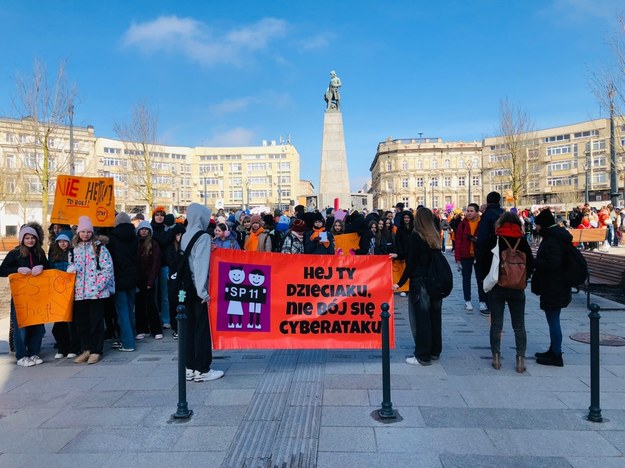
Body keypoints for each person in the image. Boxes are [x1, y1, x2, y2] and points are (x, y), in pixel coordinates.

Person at [480, 212, 534, 372]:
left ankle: (496, 357)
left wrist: (486, 279)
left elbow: (483, 262)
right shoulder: (522, 241)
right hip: (517, 288)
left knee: (496, 324)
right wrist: (523, 277)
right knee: (519, 325)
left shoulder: (495, 240)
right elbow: (530, 263)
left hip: (498, 287)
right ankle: (520, 359)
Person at [393, 208, 443, 366]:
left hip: (420, 281)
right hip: (435, 281)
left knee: (421, 319)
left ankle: (422, 355)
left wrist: (400, 283)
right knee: (435, 317)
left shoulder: (417, 236)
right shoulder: (434, 236)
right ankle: (435, 351)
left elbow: (411, 262)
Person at [181, 203, 224, 382]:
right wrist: (203, 292)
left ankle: (190, 367)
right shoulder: (203, 236)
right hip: (198, 288)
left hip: (185, 288)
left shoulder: (185, 235)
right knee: (202, 330)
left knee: (189, 329)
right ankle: (203, 369)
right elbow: (200, 265)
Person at [0, 224, 49, 367]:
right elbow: (2, 270)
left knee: (38, 326)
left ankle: (34, 352)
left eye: (32, 238)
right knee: (21, 327)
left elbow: (48, 268)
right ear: (22, 239)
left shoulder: (39, 253)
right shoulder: (15, 253)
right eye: (27, 238)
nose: (30, 240)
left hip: (37, 296)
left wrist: (43, 268)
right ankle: (21, 356)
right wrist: (17, 269)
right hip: (20, 297)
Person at [69, 216, 115, 365]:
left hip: (96, 292)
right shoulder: (73, 249)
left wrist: (98, 286)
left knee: (96, 321)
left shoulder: (99, 247)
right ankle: (86, 349)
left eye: (88, 232)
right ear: (78, 232)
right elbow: (69, 266)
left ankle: (96, 350)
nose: (85, 235)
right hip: (79, 293)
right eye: (82, 231)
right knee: (82, 322)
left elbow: (108, 269)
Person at [531, 208, 572, 367]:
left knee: (554, 319)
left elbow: (554, 263)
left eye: (538, 225)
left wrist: (536, 262)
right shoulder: (555, 237)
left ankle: (556, 354)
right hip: (555, 284)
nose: (537, 228)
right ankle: (553, 349)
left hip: (555, 285)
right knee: (552, 319)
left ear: (544, 225)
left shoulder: (553, 240)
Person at [107, 212, 139, 352]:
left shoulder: (112, 238)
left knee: (122, 311)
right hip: (132, 277)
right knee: (130, 309)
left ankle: (128, 343)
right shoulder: (134, 237)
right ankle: (131, 335)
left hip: (119, 278)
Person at [48, 230, 79, 359]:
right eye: (60, 241)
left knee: (72, 322)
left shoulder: (74, 253)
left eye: (65, 241)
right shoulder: (54, 255)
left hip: (73, 292)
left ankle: (74, 347)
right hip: (58, 293)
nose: (62, 244)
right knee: (59, 323)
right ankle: (62, 347)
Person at [454, 204, 488, 312]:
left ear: (477, 212)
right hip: (466, 255)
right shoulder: (463, 224)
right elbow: (458, 241)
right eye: (468, 211)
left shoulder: (482, 223)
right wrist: (457, 258)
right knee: (466, 279)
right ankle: (467, 300)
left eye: (471, 211)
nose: (468, 213)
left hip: (479, 255)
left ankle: (482, 301)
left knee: (480, 279)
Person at [475, 191, 504, 317]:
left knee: (486, 278)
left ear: (487, 201)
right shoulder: (504, 214)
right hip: (503, 251)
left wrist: (479, 254)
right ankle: (499, 303)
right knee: (499, 277)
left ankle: (487, 304)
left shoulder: (487, 216)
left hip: (488, 252)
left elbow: (482, 238)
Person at [135, 220, 163, 340]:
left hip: (149, 278)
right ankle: (141, 329)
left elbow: (156, 263)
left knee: (151, 304)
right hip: (137, 279)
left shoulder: (153, 244)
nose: (144, 231)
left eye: (146, 229)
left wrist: (151, 280)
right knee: (139, 304)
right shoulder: (135, 243)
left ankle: (156, 329)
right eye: (142, 229)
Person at [151, 206, 174, 329]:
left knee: (165, 294)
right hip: (152, 265)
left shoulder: (167, 230)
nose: (159, 217)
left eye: (162, 215)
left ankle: (166, 319)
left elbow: (165, 242)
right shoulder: (148, 229)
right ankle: (155, 319)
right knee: (153, 295)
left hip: (165, 264)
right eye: (157, 215)